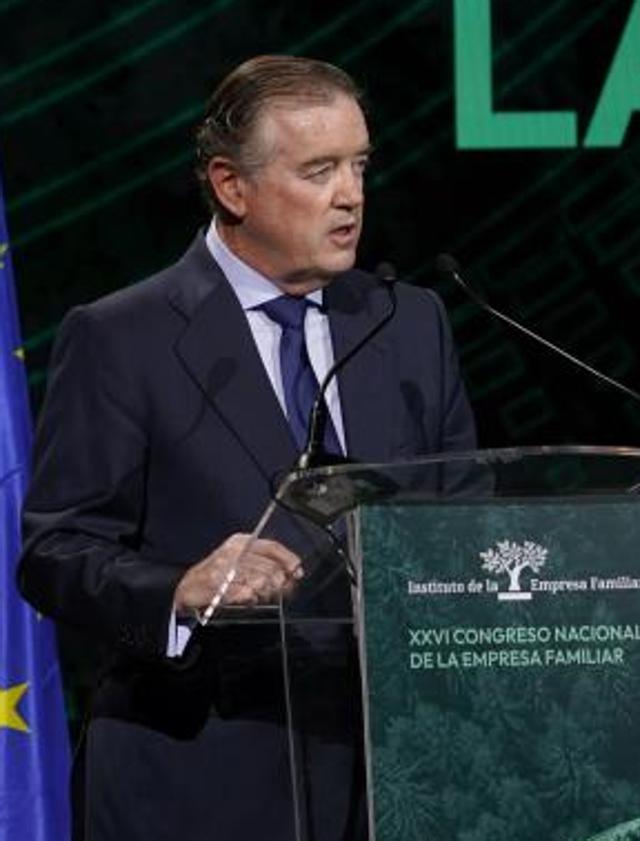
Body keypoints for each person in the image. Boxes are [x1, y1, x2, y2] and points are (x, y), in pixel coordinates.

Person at [18, 56, 476, 841]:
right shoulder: (123, 336)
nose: (351, 195)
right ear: (232, 186)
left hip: (400, 779)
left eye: (359, 165)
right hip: (201, 774)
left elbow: (465, 513)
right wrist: (180, 588)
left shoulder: (407, 321)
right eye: (319, 169)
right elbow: (55, 549)